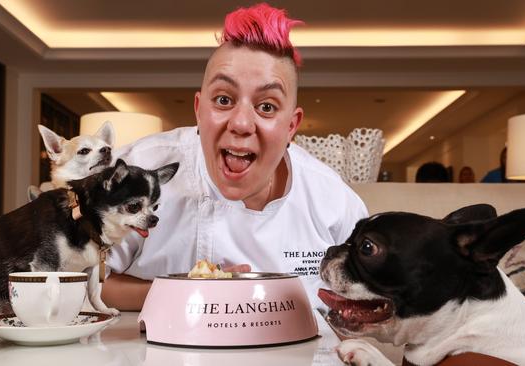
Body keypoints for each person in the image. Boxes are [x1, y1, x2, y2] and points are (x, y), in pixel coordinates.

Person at [101, 3, 368, 310]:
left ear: (291, 126)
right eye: (224, 99)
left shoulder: (330, 199)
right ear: (199, 110)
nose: (241, 123)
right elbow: (82, 281)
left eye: (266, 106)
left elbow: (373, 293)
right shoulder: (142, 171)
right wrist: (188, 292)